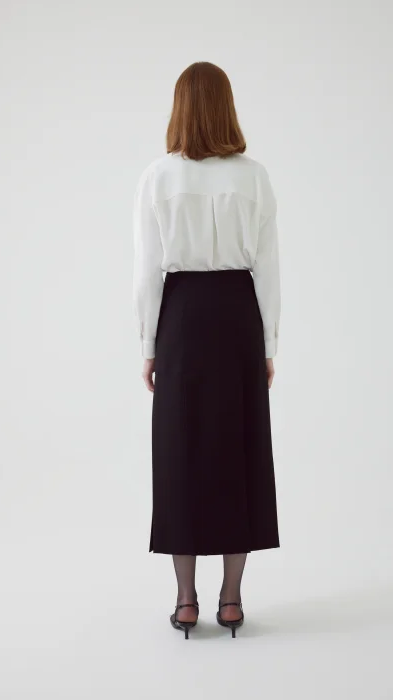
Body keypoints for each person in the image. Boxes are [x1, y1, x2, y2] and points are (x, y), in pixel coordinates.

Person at [133, 62, 281, 639]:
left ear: (180, 109)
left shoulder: (158, 176)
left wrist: (149, 344)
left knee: (181, 451)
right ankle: (232, 599)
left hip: (182, 317)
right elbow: (268, 268)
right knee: (238, 448)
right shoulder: (254, 177)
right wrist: (267, 343)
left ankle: (186, 599)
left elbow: (146, 271)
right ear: (226, 107)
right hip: (238, 316)